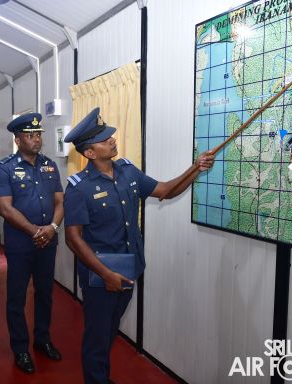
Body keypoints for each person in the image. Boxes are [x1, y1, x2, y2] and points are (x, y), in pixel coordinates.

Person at [63, 107, 215, 384]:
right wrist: (106, 274)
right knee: (97, 337)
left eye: (110, 135)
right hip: (99, 275)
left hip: (128, 268)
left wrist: (197, 167)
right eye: (104, 139)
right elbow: (73, 238)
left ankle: (99, 377)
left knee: (110, 330)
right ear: (90, 153)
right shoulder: (79, 187)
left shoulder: (127, 171)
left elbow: (166, 190)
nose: (112, 140)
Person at [0, 112, 64, 374]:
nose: (36, 139)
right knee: (17, 297)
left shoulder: (50, 166)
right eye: (30, 135)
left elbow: (60, 201)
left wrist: (52, 228)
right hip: (21, 244)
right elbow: (5, 209)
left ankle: (42, 340)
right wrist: (35, 231)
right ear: (18, 139)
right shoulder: (6, 168)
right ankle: (20, 348)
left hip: (48, 241)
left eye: (38, 135)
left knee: (45, 293)